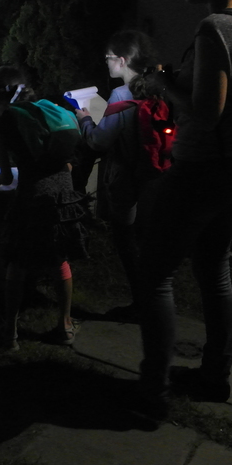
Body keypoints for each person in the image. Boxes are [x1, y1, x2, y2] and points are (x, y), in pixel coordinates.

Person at [137, 0, 232, 417]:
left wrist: (163, 84)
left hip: (202, 168)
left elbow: (206, 112)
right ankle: (215, 375)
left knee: (154, 276)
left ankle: (153, 392)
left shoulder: (214, 29)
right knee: (214, 271)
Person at [0, 65, 88, 351]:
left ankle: (10, 334)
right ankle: (65, 327)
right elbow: (66, 162)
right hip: (63, 196)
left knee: (18, 262)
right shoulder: (46, 111)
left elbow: (6, 177)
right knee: (59, 260)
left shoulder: (3, 122)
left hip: (32, 197)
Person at [75, 30, 155, 321]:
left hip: (127, 179)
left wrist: (86, 119)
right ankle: (153, 300)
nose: (106, 62)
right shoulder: (156, 87)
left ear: (122, 61)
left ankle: (140, 303)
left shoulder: (121, 94)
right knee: (147, 243)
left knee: (126, 241)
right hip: (154, 176)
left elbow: (99, 141)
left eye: (109, 58)